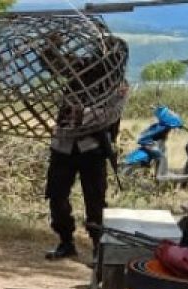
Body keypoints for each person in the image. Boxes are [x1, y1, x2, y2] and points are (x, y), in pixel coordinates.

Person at [41, 37, 126, 261]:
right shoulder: (81, 67)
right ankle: (66, 242)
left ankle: (99, 248)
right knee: (56, 195)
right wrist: (52, 46)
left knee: (95, 200)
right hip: (64, 145)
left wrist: (83, 114)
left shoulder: (118, 84)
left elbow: (112, 113)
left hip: (94, 148)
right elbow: (51, 63)